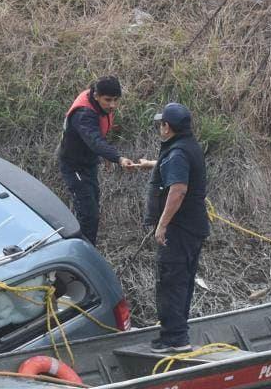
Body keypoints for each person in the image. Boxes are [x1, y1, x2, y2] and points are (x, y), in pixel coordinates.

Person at [145, 102, 209, 353]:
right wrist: (150, 164)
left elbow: (178, 190)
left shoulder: (177, 153)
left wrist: (162, 225)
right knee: (182, 281)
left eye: (161, 123)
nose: (160, 127)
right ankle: (177, 333)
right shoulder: (187, 146)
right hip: (193, 227)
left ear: (166, 127)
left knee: (171, 281)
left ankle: (175, 338)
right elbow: (176, 171)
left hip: (179, 229)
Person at [58, 76, 137, 245]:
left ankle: (84, 247)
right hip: (74, 166)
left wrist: (105, 155)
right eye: (108, 100)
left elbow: (96, 138)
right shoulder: (83, 114)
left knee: (92, 205)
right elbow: (95, 140)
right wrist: (118, 158)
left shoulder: (97, 104)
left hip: (88, 162)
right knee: (88, 213)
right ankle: (83, 253)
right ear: (96, 96)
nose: (112, 105)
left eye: (116, 100)